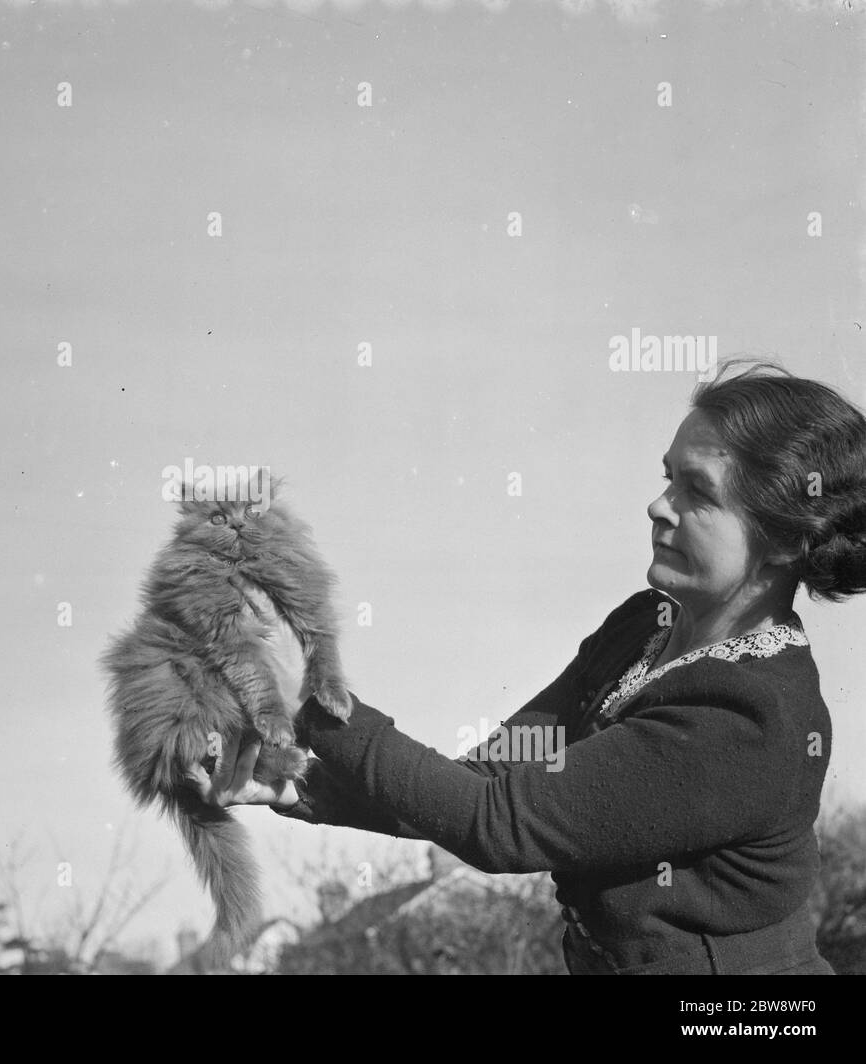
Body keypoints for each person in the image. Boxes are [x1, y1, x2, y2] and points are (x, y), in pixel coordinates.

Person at [186, 360, 866, 975]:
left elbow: (494, 824)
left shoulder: (749, 717)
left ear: (783, 540)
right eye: (668, 478)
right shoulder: (644, 628)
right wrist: (305, 786)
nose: (659, 506)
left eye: (698, 491)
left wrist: (304, 685)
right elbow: (486, 777)